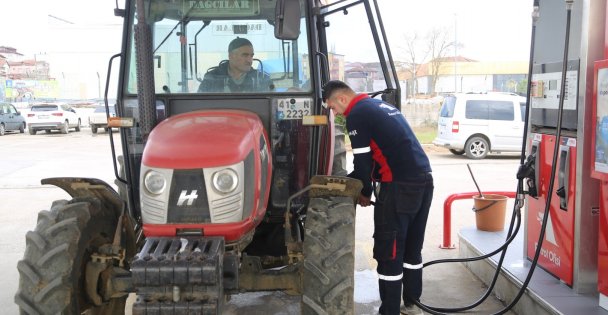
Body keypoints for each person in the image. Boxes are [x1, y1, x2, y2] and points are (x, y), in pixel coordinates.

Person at [322, 80, 433, 315]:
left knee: (389, 251)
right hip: (423, 181)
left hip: (398, 187)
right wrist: (365, 187)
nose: (335, 113)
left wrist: (363, 192)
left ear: (342, 99)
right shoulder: (380, 107)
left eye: (332, 107)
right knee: (412, 248)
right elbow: (377, 157)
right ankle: (413, 304)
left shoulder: (357, 114)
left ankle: (389, 311)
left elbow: (362, 164)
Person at [198, 37, 272, 93]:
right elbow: (199, 103)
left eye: (251, 56)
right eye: (245, 55)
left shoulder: (262, 79)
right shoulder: (212, 78)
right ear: (231, 56)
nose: (250, 60)